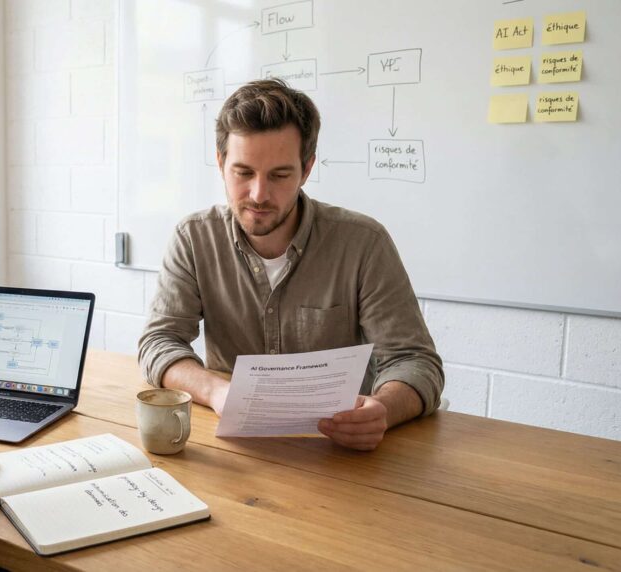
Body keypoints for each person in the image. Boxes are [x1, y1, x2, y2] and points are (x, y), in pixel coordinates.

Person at [138, 79, 444, 451]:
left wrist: (383, 408)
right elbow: (159, 341)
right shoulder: (193, 238)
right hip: (235, 448)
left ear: (307, 168)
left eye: (280, 175)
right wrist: (217, 391)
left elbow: (414, 360)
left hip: (339, 451)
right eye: (243, 172)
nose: (259, 194)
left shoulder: (363, 243)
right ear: (220, 163)